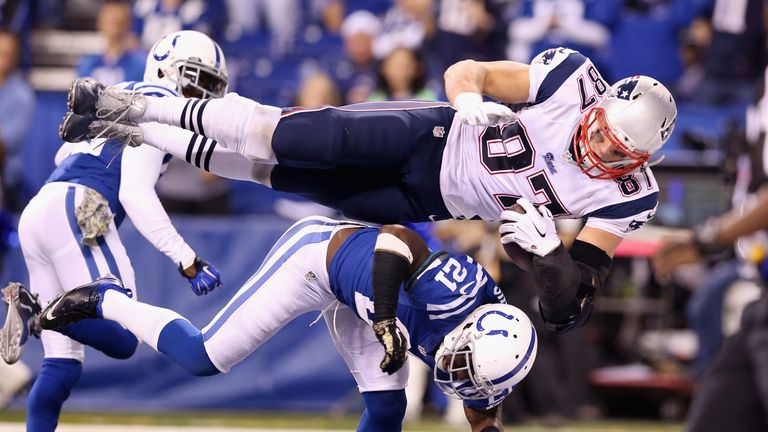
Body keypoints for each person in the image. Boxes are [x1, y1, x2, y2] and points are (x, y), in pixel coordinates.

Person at [61, 46, 677, 334]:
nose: (602, 151)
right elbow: (470, 70)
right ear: (599, 104)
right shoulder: (570, 80)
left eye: (620, 153)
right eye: (603, 132)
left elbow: (568, 308)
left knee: (278, 174)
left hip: (429, 201)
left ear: (642, 160)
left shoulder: (628, 197)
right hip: (429, 136)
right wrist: (468, 99)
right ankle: (134, 103)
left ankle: (138, 129)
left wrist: (546, 259)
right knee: (291, 138)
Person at [39, 216, 537, 432]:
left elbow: (483, 414)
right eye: (461, 361)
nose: (454, 371)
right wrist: (386, 317)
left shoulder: (489, 359)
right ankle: (106, 298)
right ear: (473, 331)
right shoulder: (450, 297)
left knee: (388, 409)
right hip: (318, 261)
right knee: (202, 356)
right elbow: (396, 237)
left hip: (363, 301)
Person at [2, 30, 225, 432]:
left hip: (43, 206)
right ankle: (40, 313)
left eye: (211, 87)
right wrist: (186, 259)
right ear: (167, 70)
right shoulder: (156, 104)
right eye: (197, 82)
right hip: (82, 209)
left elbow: (63, 151)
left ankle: (41, 313)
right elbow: (135, 193)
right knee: (124, 335)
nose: (202, 95)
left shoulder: (120, 91)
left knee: (61, 366)